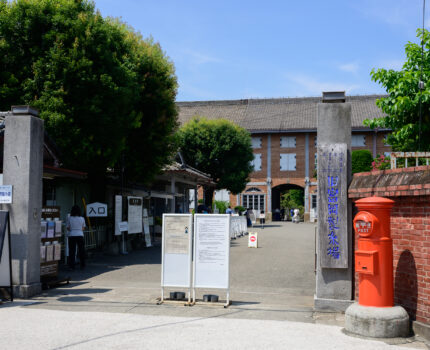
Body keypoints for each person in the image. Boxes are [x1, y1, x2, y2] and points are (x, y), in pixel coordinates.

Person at [67, 205, 86, 270]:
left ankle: (71, 266)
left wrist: (73, 229)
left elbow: (68, 228)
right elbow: (83, 228)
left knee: (72, 251)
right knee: (81, 250)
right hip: (80, 235)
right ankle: (82, 265)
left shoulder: (70, 218)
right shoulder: (82, 218)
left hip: (72, 235)